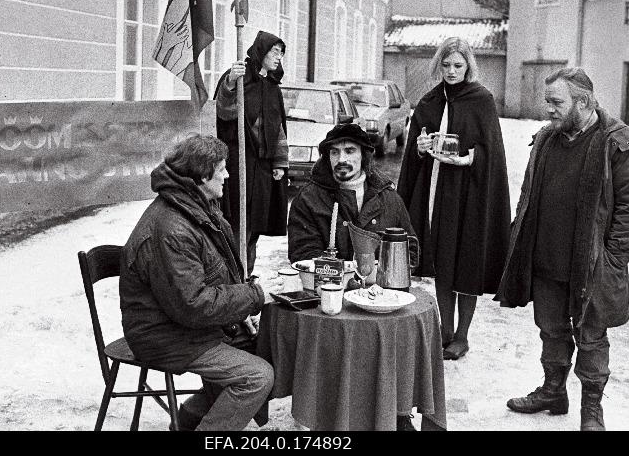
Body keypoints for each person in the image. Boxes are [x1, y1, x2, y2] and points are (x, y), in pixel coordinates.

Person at [495, 68, 629, 431]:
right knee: (550, 330)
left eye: (555, 102)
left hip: (592, 266)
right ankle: (553, 391)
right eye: (547, 102)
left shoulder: (618, 142)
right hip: (547, 261)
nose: (547, 109)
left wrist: (614, 259)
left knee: (592, 338)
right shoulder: (549, 138)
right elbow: (528, 194)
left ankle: (592, 410)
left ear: (582, 102)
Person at [120, 134, 284, 431]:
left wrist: (242, 308)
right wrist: (253, 297)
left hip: (181, 326)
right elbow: (193, 305)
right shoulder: (172, 228)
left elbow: (212, 275)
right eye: (221, 169)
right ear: (202, 175)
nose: (227, 175)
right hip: (163, 335)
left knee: (265, 347)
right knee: (256, 376)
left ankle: (186, 423)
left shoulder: (194, 205)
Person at [287, 123, 418, 432]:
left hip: (381, 301)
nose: (341, 159)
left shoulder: (387, 197)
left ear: (365, 156)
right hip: (333, 304)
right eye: (334, 152)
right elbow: (301, 254)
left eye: (349, 151)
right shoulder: (310, 199)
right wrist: (345, 270)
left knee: (391, 338)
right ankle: (335, 420)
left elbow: (411, 248)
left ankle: (396, 414)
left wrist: (384, 264)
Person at [397, 36, 510, 361]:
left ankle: (462, 336)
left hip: (470, 195)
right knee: (444, 261)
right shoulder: (430, 101)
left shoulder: (482, 100)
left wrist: (470, 157)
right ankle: (446, 331)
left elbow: (491, 150)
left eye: (457, 65)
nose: (451, 70)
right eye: (445, 65)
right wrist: (420, 148)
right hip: (437, 193)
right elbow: (416, 147)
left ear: (468, 66)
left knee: (467, 262)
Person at [214, 30, 289, 275]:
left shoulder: (272, 86)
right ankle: (233, 275)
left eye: (281, 53)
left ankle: (246, 274)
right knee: (237, 222)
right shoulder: (239, 78)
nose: (278, 57)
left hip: (264, 168)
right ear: (261, 51)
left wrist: (279, 161)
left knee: (255, 224)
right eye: (274, 52)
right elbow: (224, 112)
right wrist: (229, 83)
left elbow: (277, 127)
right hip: (239, 164)